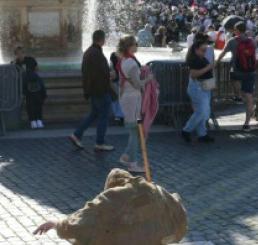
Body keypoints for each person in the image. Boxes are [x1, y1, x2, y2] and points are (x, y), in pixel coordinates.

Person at [33, 168, 187, 244]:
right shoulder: (156, 190)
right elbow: (176, 206)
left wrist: (56, 224)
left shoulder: (113, 197)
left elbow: (83, 221)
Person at [69, 30, 117, 152]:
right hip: (100, 90)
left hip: (92, 89)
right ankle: (99, 142)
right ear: (102, 40)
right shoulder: (97, 53)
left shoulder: (88, 52)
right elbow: (99, 74)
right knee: (103, 116)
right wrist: (110, 75)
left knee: (94, 114)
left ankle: (77, 134)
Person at [114, 36, 153, 173]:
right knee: (136, 131)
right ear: (131, 46)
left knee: (134, 131)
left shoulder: (123, 60)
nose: (137, 46)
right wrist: (148, 79)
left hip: (127, 98)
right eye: (136, 44)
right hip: (133, 100)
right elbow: (137, 84)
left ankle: (126, 156)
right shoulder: (131, 63)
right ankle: (133, 163)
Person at [216, 22, 258, 130]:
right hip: (251, 70)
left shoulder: (232, 41)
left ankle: (238, 95)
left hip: (237, 70)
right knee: (249, 97)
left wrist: (216, 62)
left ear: (237, 31)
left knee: (234, 77)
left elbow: (223, 53)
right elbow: (256, 55)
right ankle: (247, 123)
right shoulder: (252, 41)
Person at [181, 38, 215, 144]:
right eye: (203, 50)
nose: (205, 52)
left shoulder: (200, 58)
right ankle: (186, 130)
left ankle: (202, 134)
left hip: (204, 86)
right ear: (196, 49)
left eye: (206, 50)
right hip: (198, 87)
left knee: (204, 111)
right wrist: (209, 67)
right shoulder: (193, 59)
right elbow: (194, 74)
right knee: (202, 111)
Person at [18, 49, 46, 129]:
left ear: (24, 54)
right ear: (16, 55)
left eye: (21, 53)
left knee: (36, 101)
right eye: (18, 54)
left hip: (34, 84)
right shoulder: (16, 62)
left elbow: (37, 68)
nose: (20, 55)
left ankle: (38, 120)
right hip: (28, 86)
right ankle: (34, 121)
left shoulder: (30, 59)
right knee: (31, 102)